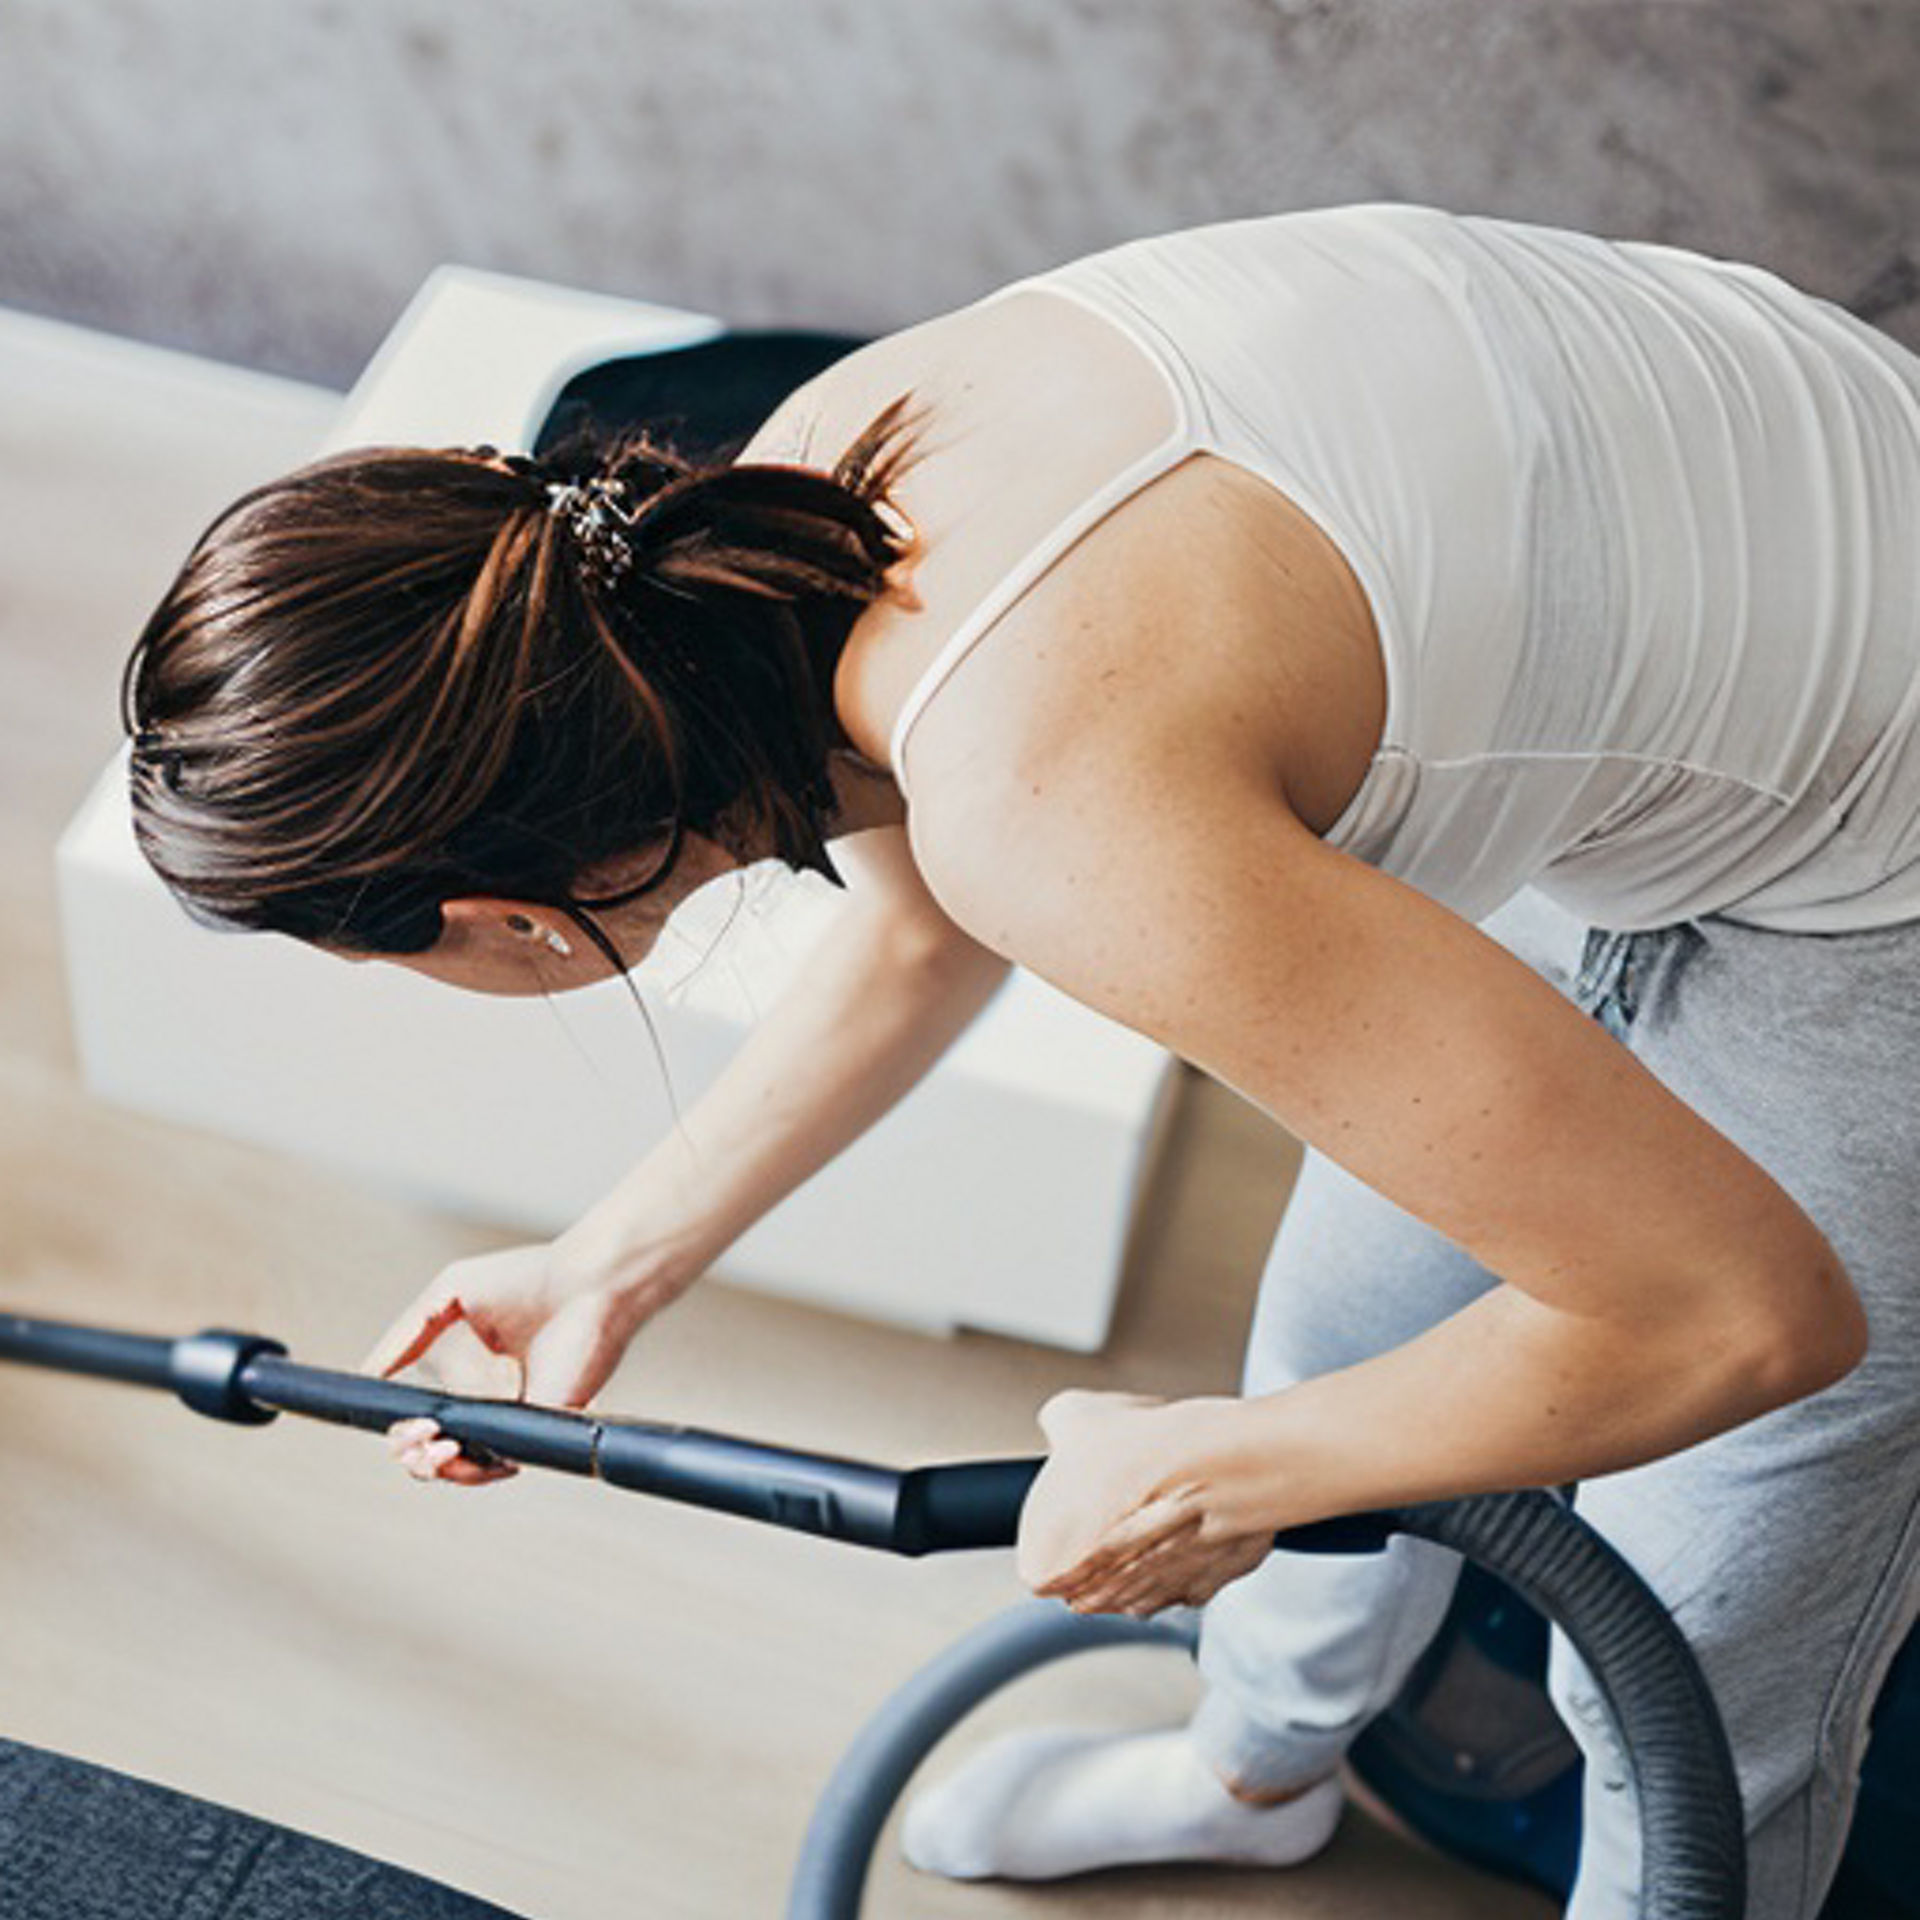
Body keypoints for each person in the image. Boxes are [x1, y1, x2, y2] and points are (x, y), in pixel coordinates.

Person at [121, 202, 1920, 1919]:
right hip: (1689, 692)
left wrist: (1229, 1481)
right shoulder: (794, 500)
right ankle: (1259, 1782)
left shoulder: (1054, 803)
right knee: (1338, 1354)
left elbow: (1743, 1318)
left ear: (500, 915)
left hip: (1879, 842)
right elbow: (922, 925)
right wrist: (613, 1261)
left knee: (1685, 1652)